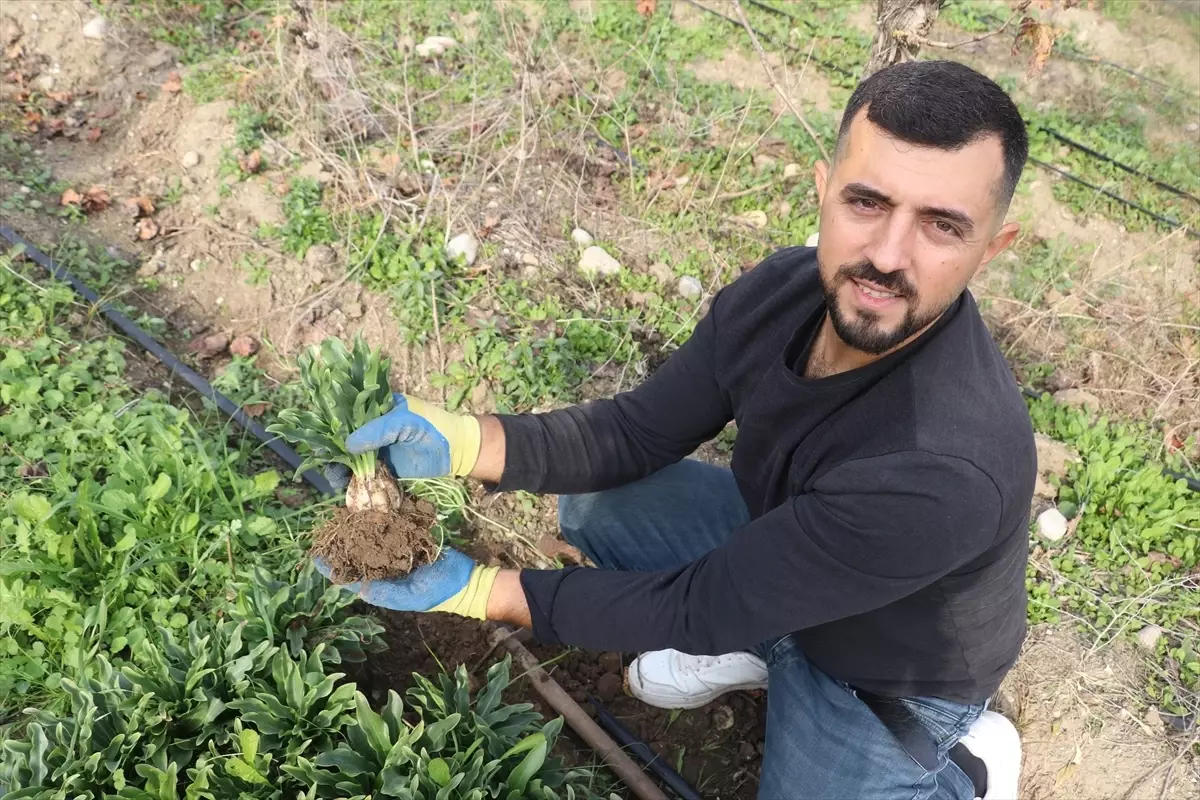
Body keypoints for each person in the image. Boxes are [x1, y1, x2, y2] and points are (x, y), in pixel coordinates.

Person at [321, 61, 1035, 799]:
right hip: (787, 557)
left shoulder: (946, 463)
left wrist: (476, 591)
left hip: (883, 670)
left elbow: (696, 607)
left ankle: (961, 768)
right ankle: (766, 641)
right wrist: (462, 440)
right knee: (604, 501)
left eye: (941, 225)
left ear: (993, 247)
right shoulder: (782, 294)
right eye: (867, 202)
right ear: (823, 191)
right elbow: (633, 434)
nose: (888, 256)